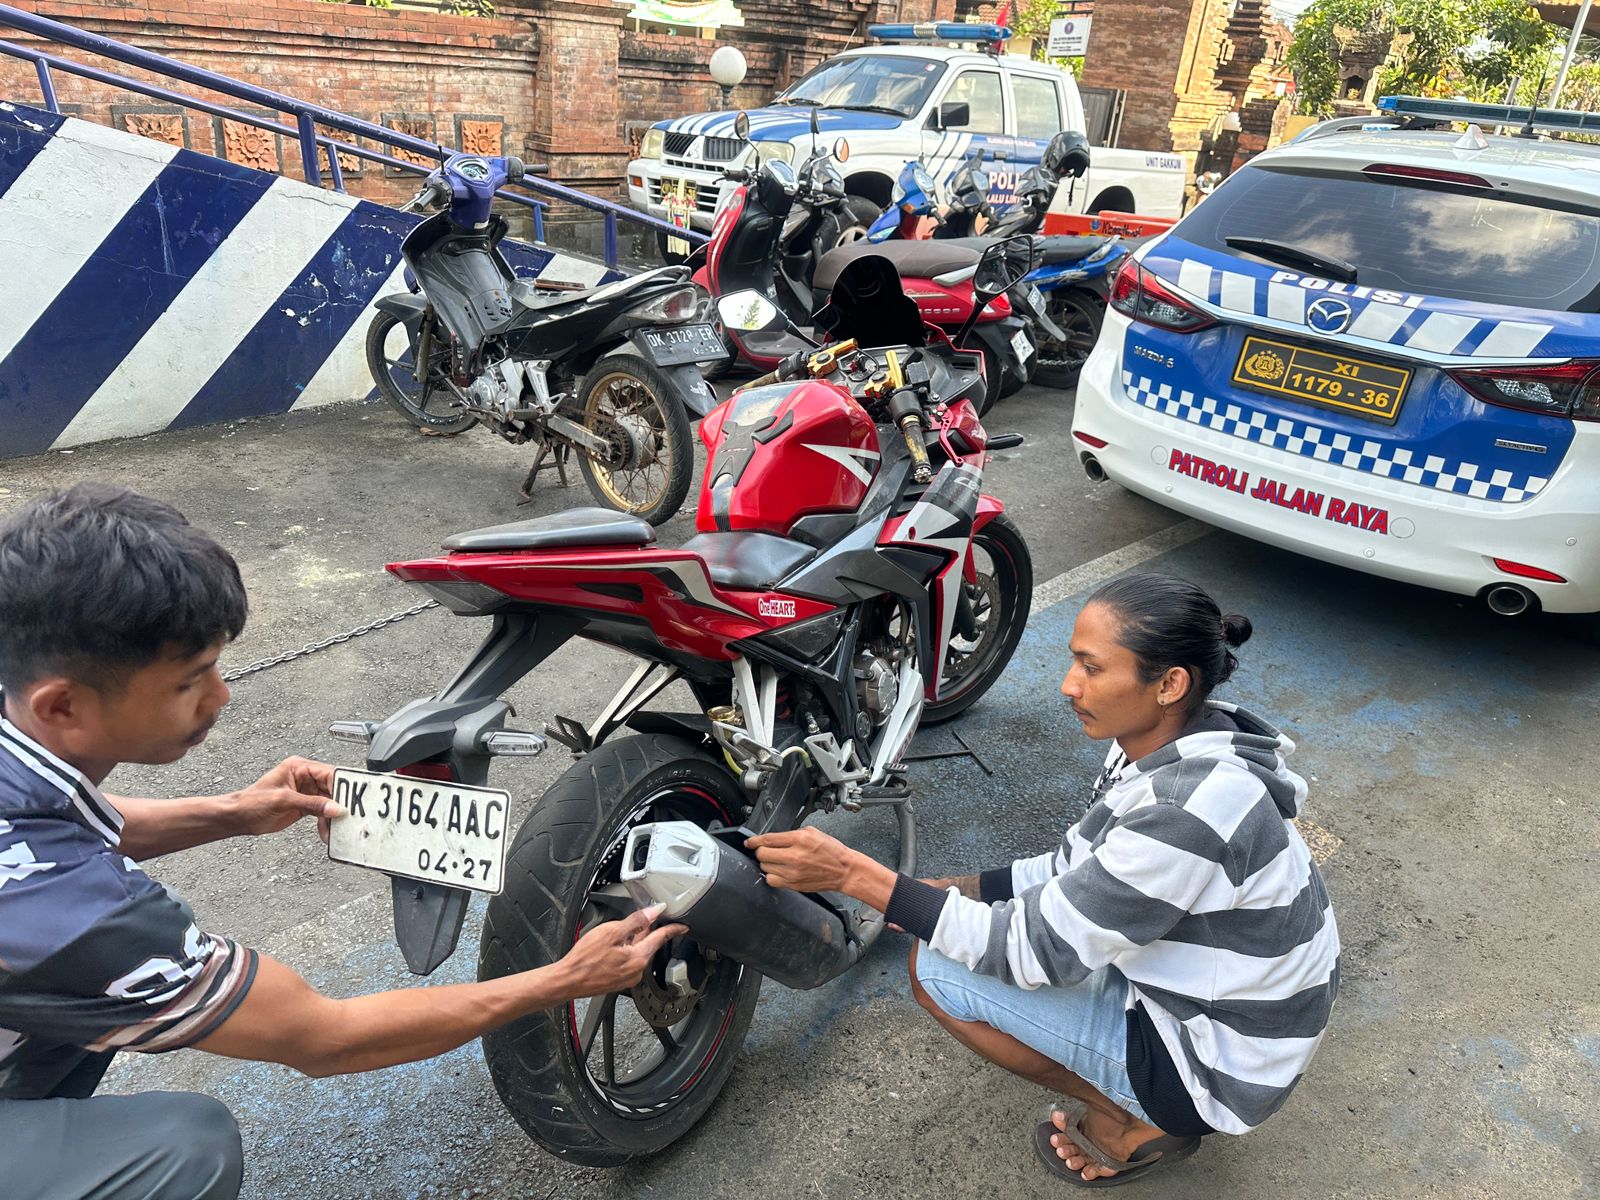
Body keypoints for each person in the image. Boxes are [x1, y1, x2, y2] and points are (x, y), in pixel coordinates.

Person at [0, 484, 683, 1200]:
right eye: (189, 681)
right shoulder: (78, 918)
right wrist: (562, 980)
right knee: (187, 1148)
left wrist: (234, 810)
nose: (222, 697)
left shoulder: (24, 718)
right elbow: (327, 1037)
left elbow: (51, 831)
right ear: (64, 705)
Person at [749, 573, 1340, 1186]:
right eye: (1073, 661)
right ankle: (1137, 1090)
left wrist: (856, 875)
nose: (1069, 685)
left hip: (1227, 1056)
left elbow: (1032, 952)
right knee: (952, 923)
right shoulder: (1168, 742)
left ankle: (1139, 1118)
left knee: (936, 970)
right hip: (1242, 999)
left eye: (1092, 667)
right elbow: (1075, 870)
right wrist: (955, 889)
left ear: (1170, 683)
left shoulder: (1184, 812)